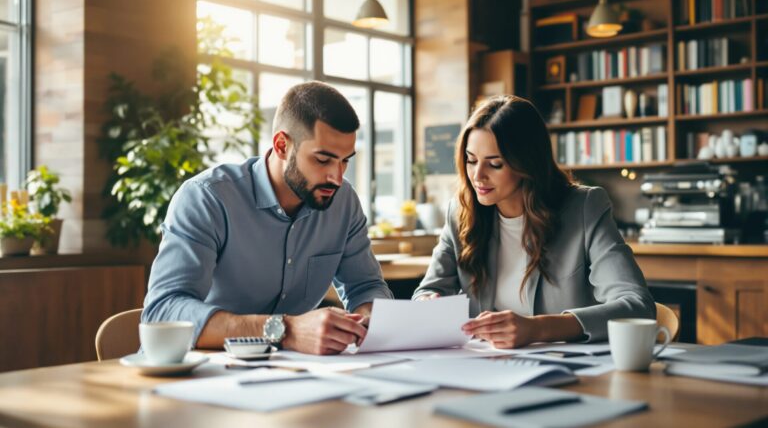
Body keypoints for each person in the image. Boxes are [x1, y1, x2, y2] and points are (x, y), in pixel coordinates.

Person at [142, 81, 393, 355]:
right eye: (323, 160)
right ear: (282, 145)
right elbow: (163, 311)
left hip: (288, 370)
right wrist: (287, 330)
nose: (337, 177)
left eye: (345, 160)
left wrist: (368, 318)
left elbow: (366, 287)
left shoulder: (343, 202)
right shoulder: (207, 199)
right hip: (200, 368)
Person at [413, 95, 654, 348]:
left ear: (526, 163)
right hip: (482, 362)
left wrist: (538, 328)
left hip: (565, 364)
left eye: (495, 164)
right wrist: (428, 302)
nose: (477, 175)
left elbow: (637, 305)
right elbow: (427, 291)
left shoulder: (583, 208)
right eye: (471, 160)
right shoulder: (460, 212)